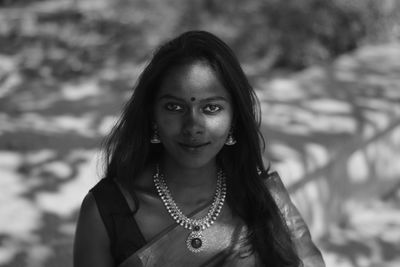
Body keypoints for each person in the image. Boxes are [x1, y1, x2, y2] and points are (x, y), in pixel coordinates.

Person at [73, 30, 325, 267]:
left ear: (235, 117)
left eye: (211, 108)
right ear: (152, 116)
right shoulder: (106, 211)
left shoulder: (263, 201)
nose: (193, 126)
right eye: (174, 107)